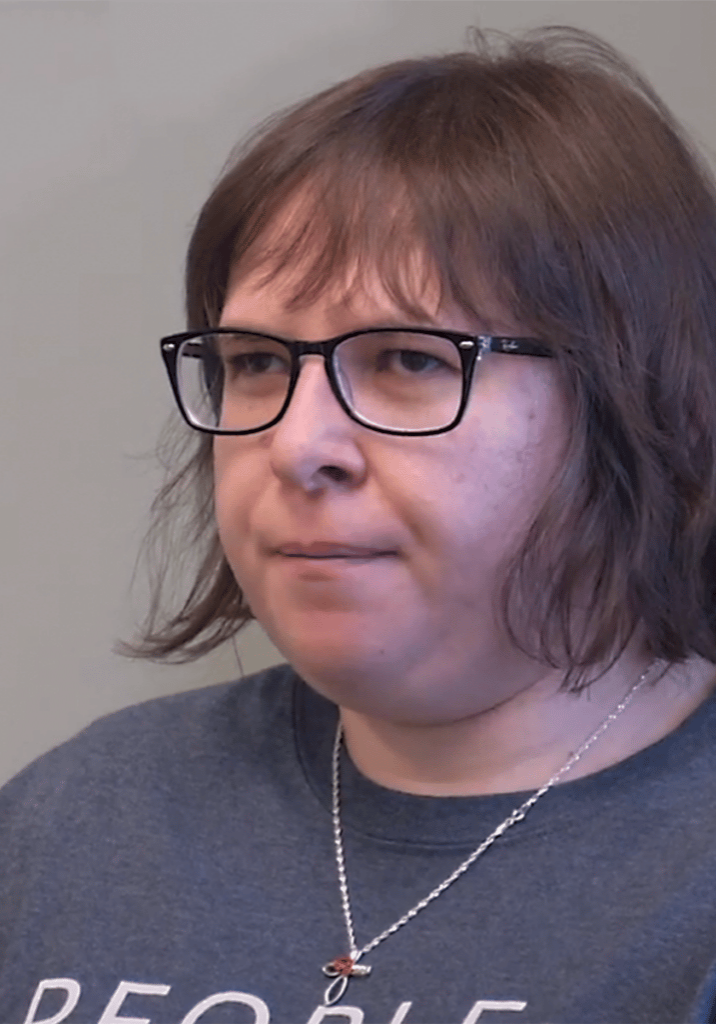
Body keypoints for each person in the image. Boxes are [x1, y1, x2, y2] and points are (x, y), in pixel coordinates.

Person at [3, 23, 716, 1024]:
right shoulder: (74, 819)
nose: (296, 445)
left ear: (646, 398)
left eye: (408, 359)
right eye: (255, 361)